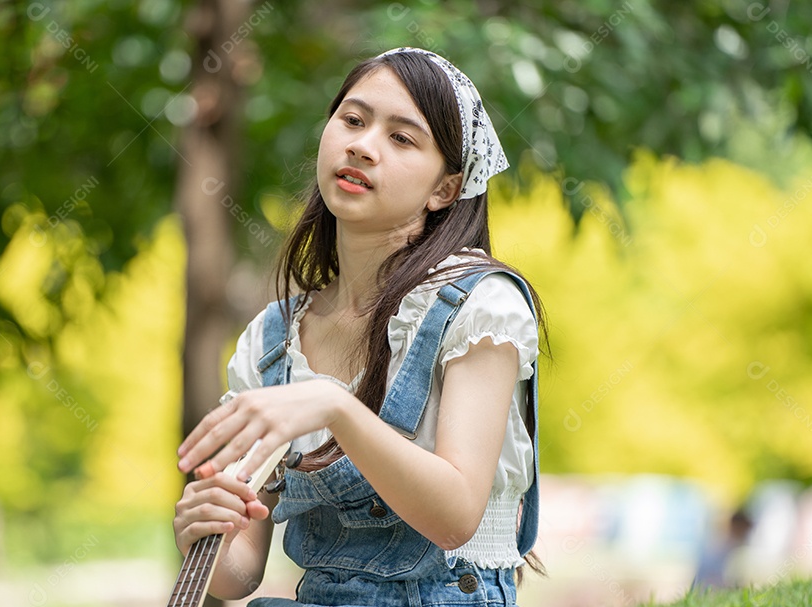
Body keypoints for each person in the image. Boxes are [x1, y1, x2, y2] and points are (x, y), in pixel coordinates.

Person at [172, 47, 547, 607]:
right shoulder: (273, 340)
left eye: (402, 138)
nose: (362, 145)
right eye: (352, 119)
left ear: (446, 188)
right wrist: (206, 532)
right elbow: (240, 576)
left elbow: (455, 515)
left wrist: (333, 406)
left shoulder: (479, 306)